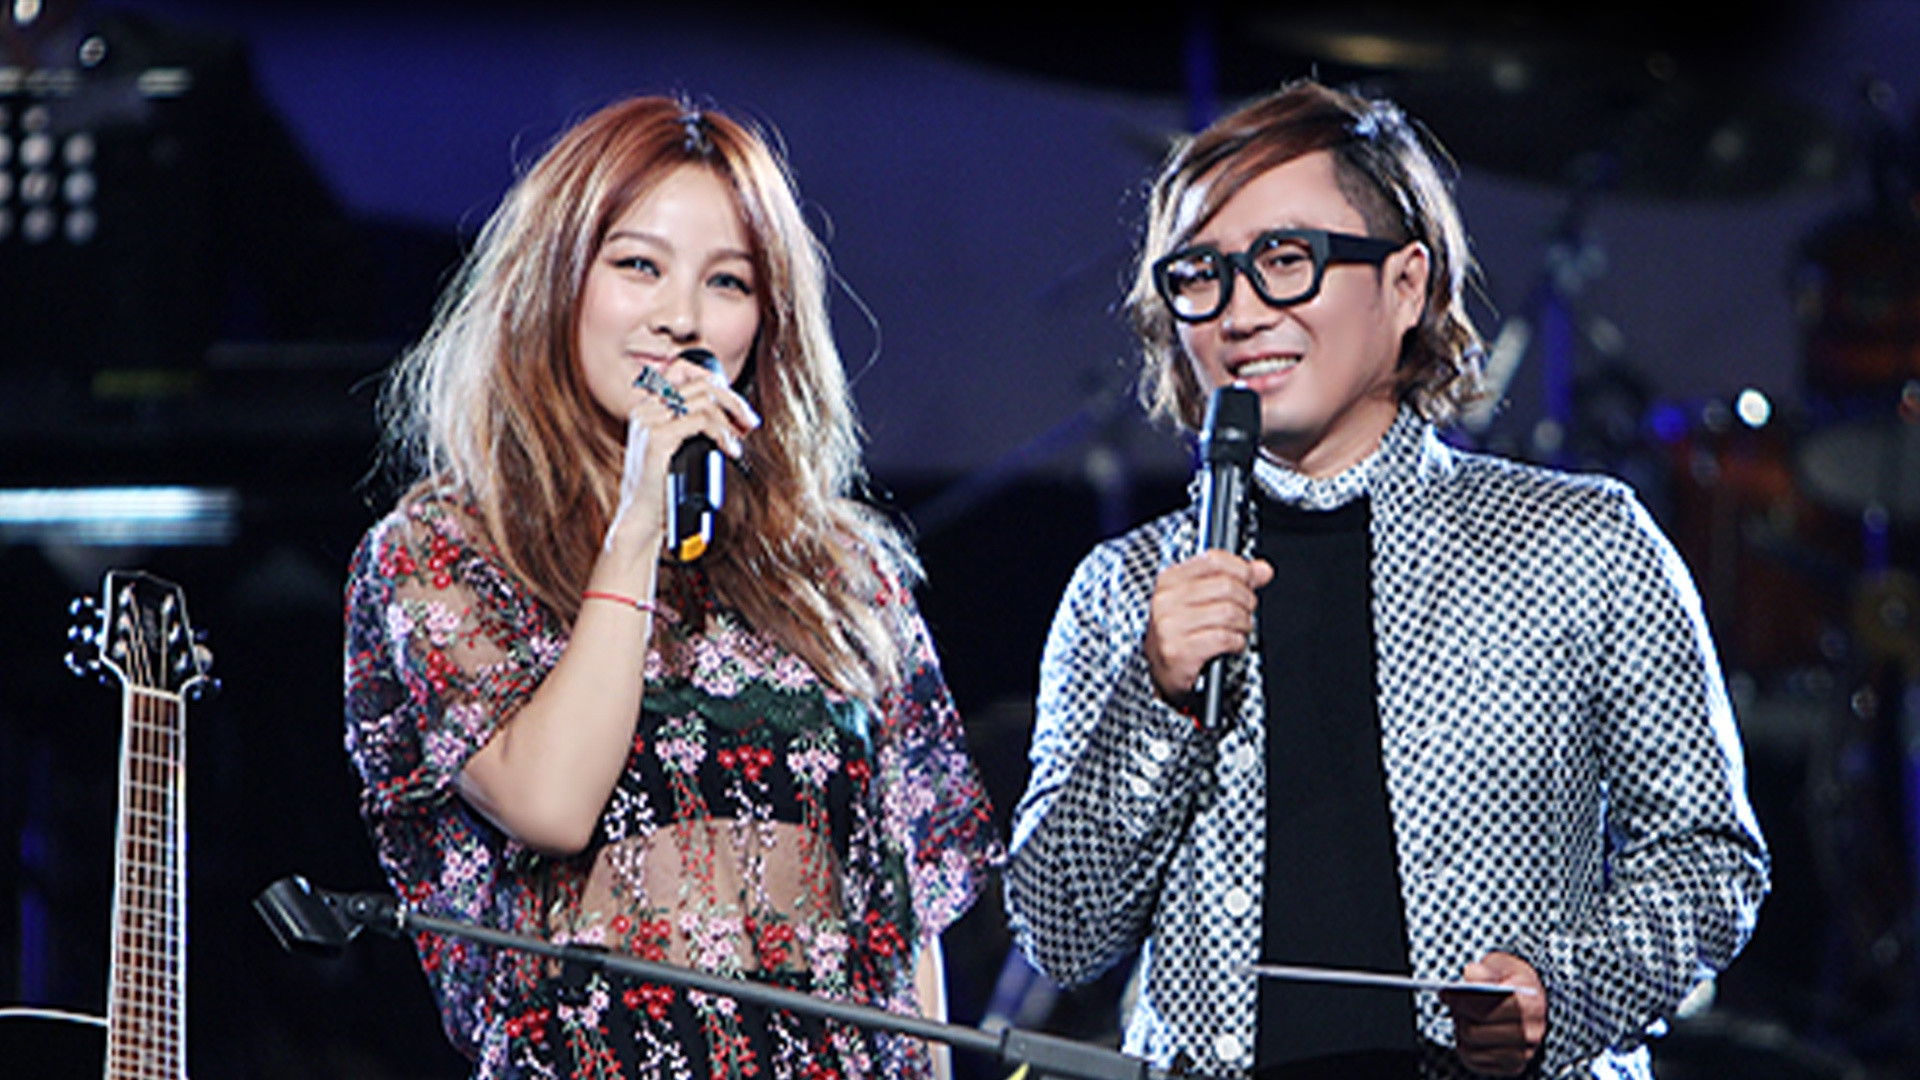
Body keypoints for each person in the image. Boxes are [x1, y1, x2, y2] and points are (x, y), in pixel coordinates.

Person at [1004, 78, 1769, 1079]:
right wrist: (1156, 699)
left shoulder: (1582, 541)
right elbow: (1059, 934)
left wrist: (1564, 992)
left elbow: (1710, 861)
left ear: (1407, 284)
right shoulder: (1126, 587)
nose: (1241, 313)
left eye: (1286, 260)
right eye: (1200, 274)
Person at [344, 96, 998, 1080]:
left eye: (727, 281)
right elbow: (552, 804)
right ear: (557, 280)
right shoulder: (446, 553)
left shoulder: (842, 573)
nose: (681, 319)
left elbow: (907, 923)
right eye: (638, 266)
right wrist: (638, 521)